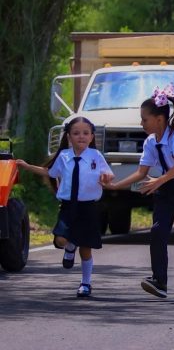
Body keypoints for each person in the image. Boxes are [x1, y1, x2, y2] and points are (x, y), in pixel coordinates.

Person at [103, 84, 174, 299]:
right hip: (166, 188)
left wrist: (160, 180)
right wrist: (115, 185)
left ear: (159, 119)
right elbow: (141, 173)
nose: (141, 123)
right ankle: (160, 281)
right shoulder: (150, 142)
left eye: (144, 119)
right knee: (158, 231)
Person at [17, 116, 113, 298]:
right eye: (76, 133)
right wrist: (28, 166)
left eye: (86, 133)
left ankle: (85, 284)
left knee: (86, 248)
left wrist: (107, 177)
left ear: (92, 137)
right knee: (60, 239)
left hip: (88, 208)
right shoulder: (64, 156)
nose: (81, 137)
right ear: (69, 136)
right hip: (68, 207)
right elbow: (50, 172)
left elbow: (108, 173)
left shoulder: (96, 156)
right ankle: (70, 247)